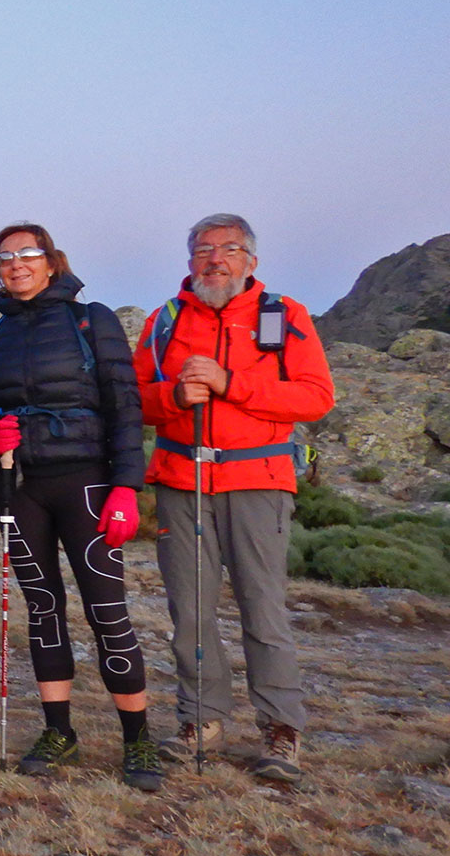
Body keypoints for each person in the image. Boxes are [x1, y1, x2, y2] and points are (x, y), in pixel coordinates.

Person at [0, 223, 160, 791]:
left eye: (28, 253)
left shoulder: (91, 320)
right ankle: (59, 732)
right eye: (5, 257)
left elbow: (125, 409)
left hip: (88, 486)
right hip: (21, 488)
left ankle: (138, 739)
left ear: (51, 261)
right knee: (42, 607)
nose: (16, 264)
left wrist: (126, 488)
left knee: (106, 610)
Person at [132, 214, 334, 784]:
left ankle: (280, 730)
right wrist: (174, 395)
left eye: (229, 249)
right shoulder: (164, 321)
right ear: (189, 258)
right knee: (189, 613)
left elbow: (316, 397)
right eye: (203, 250)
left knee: (263, 612)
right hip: (180, 483)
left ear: (251, 260)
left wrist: (230, 383)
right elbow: (133, 400)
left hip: (258, 484)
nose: (215, 259)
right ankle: (201, 722)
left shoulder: (283, 316)